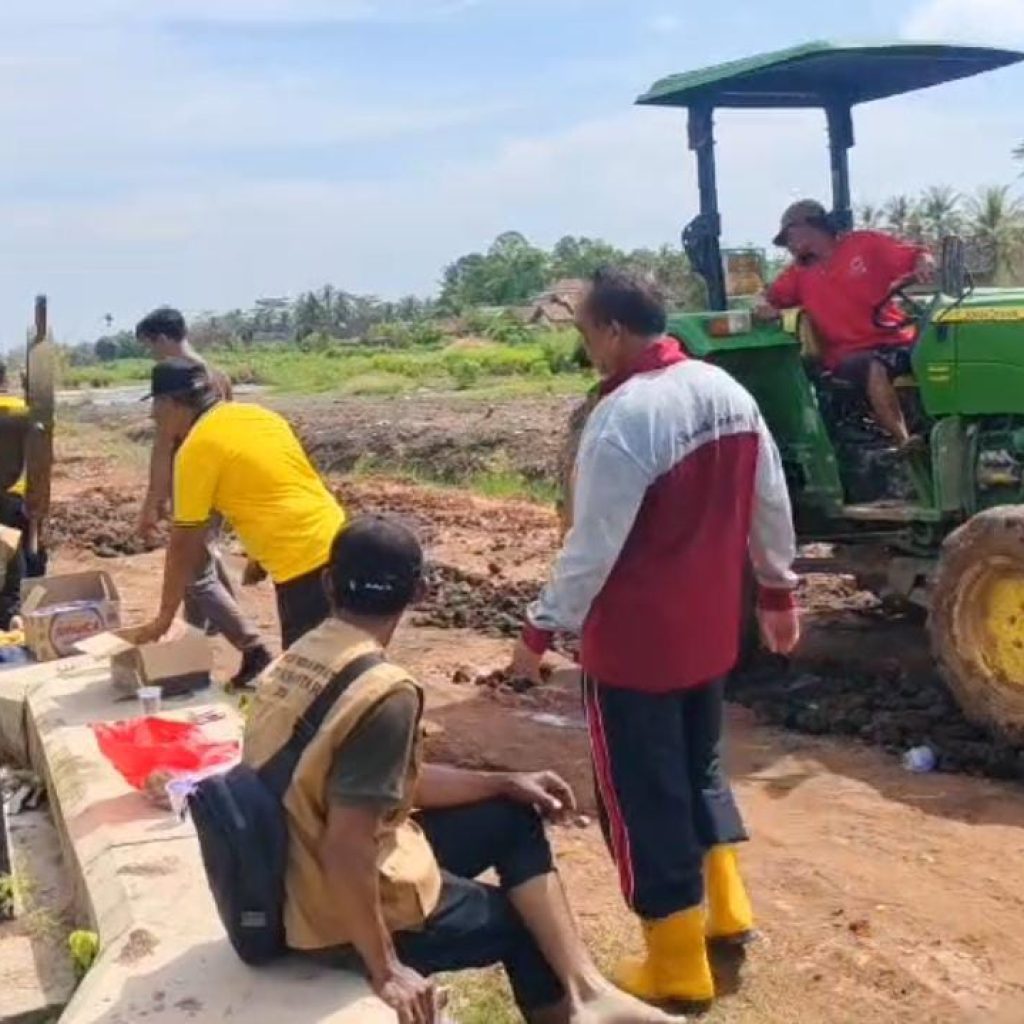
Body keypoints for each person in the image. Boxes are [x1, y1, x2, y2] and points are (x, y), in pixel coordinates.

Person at [243, 514, 678, 1024]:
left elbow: (380, 786)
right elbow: (347, 845)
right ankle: (569, 1009)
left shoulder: (301, 658)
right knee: (521, 929)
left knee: (511, 816)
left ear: (327, 583)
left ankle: (587, 992)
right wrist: (385, 968)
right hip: (328, 910)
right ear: (421, 592)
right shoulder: (384, 692)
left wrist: (503, 782)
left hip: (290, 870)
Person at [510, 268, 800, 1008]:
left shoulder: (625, 416)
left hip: (634, 646)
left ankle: (675, 963)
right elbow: (770, 498)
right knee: (700, 769)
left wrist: (538, 632)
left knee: (642, 795)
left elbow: (591, 546)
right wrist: (777, 590)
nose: (588, 351)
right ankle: (726, 911)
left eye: (586, 336)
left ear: (610, 330)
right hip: (709, 635)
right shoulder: (727, 391)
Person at [126, 359, 345, 650]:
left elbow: (183, 545)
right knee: (342, 652)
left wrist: (164, 619)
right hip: (342, 541)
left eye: (156, 405)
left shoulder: (196, 450)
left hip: (303, 564)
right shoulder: (260, 416)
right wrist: (257, 558)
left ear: (172, 403)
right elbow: (274, 487)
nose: (154, 415)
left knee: (308, 674)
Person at [135, 308, 271, 687]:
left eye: (149, 346)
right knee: (203, 561)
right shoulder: (216, 377)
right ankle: (196, 651)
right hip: (221, 482)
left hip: (193, 480)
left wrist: (152, 502)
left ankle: (252, 646)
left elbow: (163, 449)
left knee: (193, 569)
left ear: (161, 338)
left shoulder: (171, 383)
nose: (152, 355)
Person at [757, 199, 934, 449]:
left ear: (810, 227)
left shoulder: (864, 245)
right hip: (847, 355)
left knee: (940, 350)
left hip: (896, 340)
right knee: (874, 364)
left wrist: (924, 262)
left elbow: (915, 255)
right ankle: (904, 440)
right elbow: (769, 299)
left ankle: (946, 428)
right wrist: (766, 308)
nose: (789, 246)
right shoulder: (798, 275)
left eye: (789, 238)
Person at [0, 360, 46, 629]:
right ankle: (25, 614)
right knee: (25, 558)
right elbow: (40, 453)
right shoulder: (22, 411)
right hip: (18, 495)